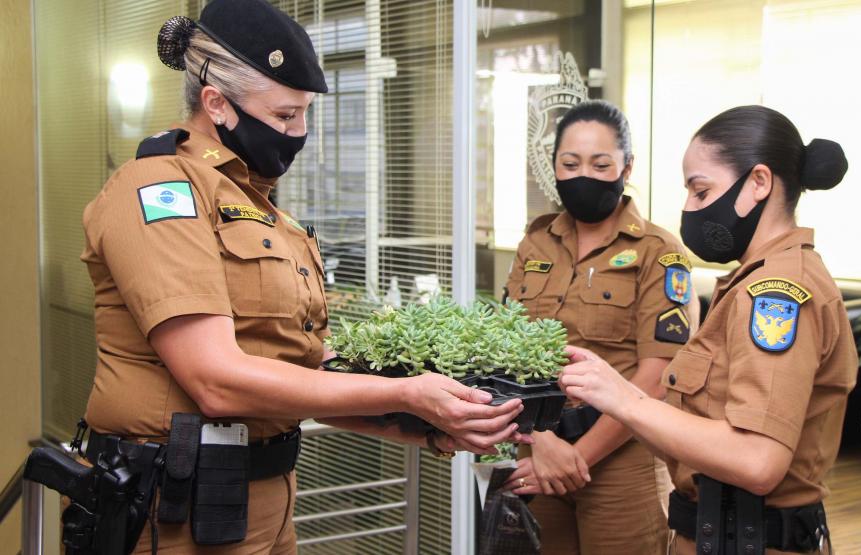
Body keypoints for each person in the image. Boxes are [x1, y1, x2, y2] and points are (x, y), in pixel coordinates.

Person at [74, 1, 526, 552]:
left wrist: (418, 423)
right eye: (286, 115)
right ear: (216, 104)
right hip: (176, 514)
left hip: (266, 504)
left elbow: (299, 370)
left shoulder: (265, 210)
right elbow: (215, 379)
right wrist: (410, 395)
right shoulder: (160, 192)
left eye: (306, 113)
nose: (300, 132)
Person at [560, 105, 856, 554]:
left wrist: (624, 399)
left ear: (759, 182)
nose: (690, 209)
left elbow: (758, 459)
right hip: (714, 533)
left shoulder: (777, 293)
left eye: (701, 191)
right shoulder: (746, 282)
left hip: (749, 540)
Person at [503, 100, 698, 554]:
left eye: (600, 163)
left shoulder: (659, 252)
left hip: (623, 458)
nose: (583, 174)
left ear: (627, 167)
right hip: (539, 446)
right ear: (553, 167)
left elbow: (657, 376)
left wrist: (578, 457)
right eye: (570, 163)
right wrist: (544, 442)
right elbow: (506, 352)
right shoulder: (534, 243)